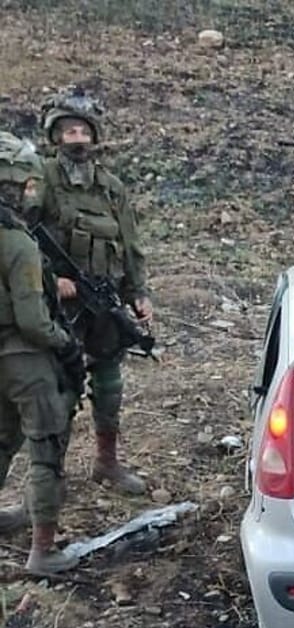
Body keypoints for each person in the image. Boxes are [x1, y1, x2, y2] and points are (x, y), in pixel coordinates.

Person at [33, 88, 150, 495]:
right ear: (56, 137)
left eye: (83, 130)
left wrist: (139, 293)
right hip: (60, 305)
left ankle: (107, 462)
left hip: (104, 300)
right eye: (68, 131)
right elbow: (19, 235)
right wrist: (51, 280)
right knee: (59, 389)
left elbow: (130, 244)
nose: (77, 138)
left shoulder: (111, 187)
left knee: (109, 383)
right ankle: (50, 477)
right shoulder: (43, 179)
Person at [0, 131, 85, 573]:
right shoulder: (17, 244)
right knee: (45, 447)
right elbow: (32, 321)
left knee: (1, 441)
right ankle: (43, 550)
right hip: (24, 359)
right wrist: (64, 343)